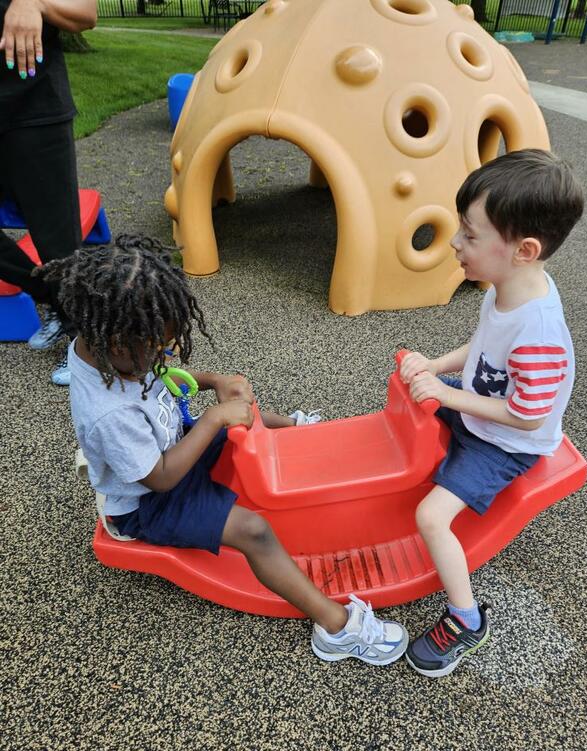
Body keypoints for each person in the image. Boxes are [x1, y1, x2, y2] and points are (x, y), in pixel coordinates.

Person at [38, 234, 409, 666]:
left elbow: (159, 370)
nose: (164, 355)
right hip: (147, 502)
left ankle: (296, 429)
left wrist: (213, 381)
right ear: (115, 342)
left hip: (171, 448)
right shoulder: (108, 413)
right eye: (156, 347)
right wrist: (214, 418)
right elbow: (160, 478)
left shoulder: (111, 343)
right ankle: (336, 628)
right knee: (253, 530)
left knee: (246, 417)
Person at [400, 149, 584, 678]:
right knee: (411, 404)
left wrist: (447, 394)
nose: (456, 243)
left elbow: (526, 417)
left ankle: (466, 617)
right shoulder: (506, 289)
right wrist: (435, 367)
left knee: (430, 518)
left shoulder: (540, 336)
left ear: (523, 250)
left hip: (505, 442)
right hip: (484, 405)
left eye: (471, 235)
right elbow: (481, 347)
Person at [0, 0, 97, 385]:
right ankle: (58, 299)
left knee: (58, 243)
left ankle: (90, 347)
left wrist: (32, 2)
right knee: (58, 268)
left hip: (33, 109)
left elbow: (85, 13)